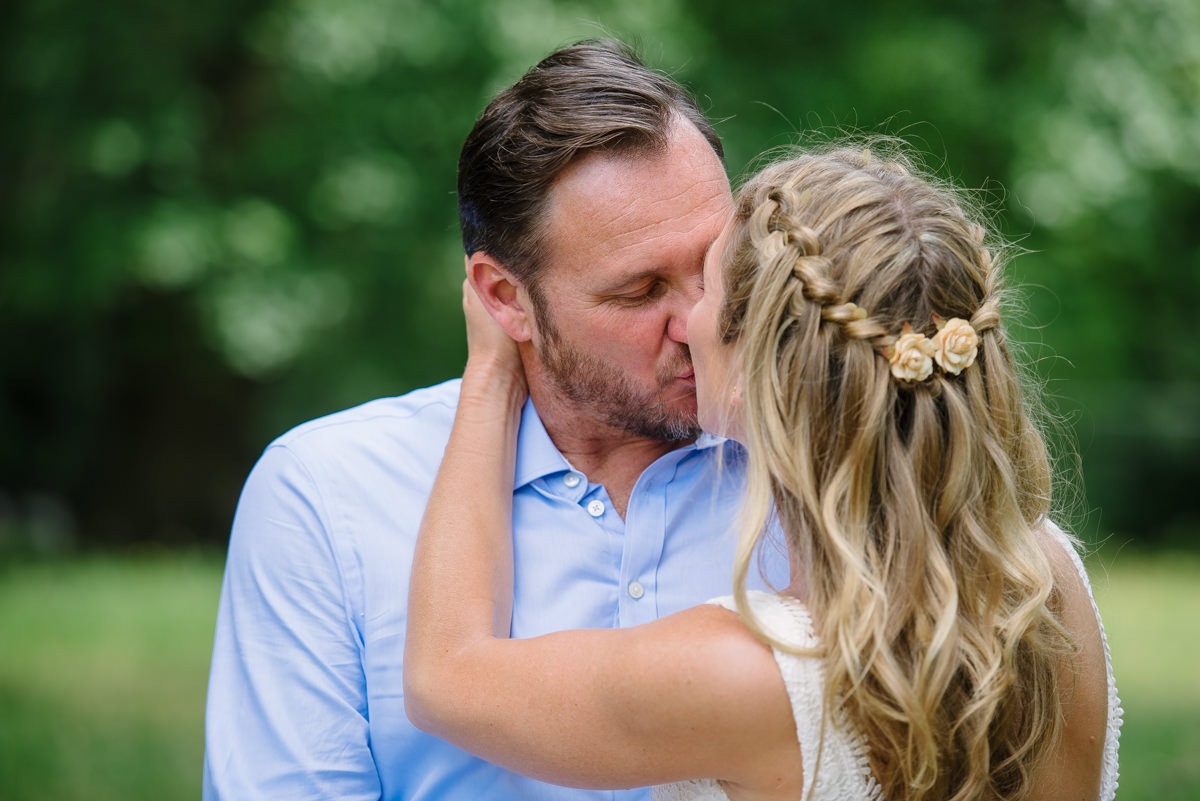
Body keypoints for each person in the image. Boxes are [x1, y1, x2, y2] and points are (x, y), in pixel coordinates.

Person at [404, 144, 1123, 801]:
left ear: (756, 371)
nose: (683, 323)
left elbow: (444, 676)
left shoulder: (748, 671)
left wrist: (491, 374)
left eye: (706, 290)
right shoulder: (1044, 582)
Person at [202, 39, 787, 801]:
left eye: (714, 268)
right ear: (505, 299)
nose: (698, 322)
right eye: (641, 291)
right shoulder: (326, 495)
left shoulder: (819, 477)